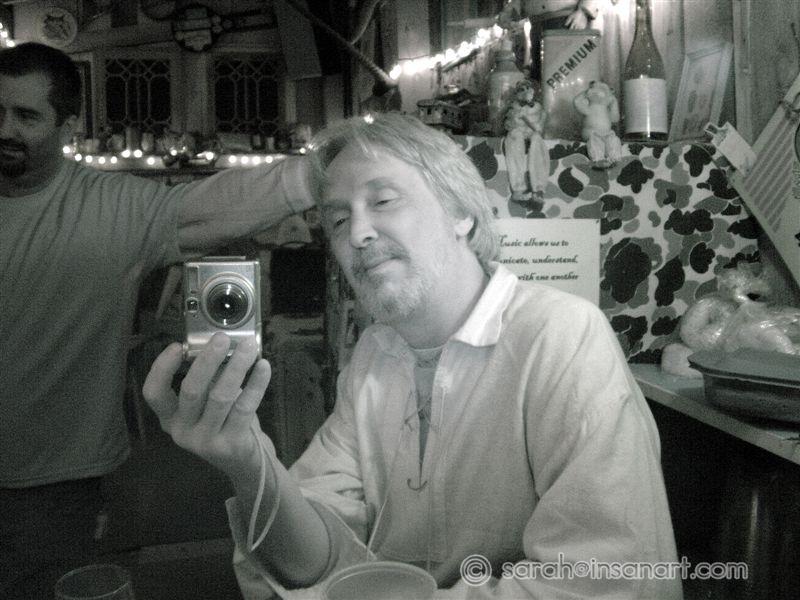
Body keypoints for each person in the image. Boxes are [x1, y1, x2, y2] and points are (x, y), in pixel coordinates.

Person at [142, 112, 682, 598]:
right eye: (337, 219)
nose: (357, 233)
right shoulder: (377, 353)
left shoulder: (559, 336)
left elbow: (608, 581)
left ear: (461, 214)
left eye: (383, 201)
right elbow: (314, 560)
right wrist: (248, 461)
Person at [0, 42, 313, 597]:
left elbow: (212, 206)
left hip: (54, 479)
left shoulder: (107, 205)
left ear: (67, 126)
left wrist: (321, 173)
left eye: (26, 116)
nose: (6, 129)